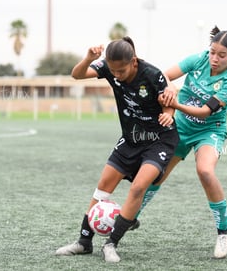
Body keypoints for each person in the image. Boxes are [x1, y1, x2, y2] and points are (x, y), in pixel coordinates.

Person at [55, 37, 179, 263]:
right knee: (103, 186)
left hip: (159, 139)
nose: (117, 75)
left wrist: (168, 113)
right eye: (113, 71)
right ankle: (84, 242)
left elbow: (169, 97)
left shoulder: (152, 74)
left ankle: (111, 244)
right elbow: (77, 75)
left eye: (121, 70)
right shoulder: (108, 68)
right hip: (131, 138)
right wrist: (88, 59)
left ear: (133, 62)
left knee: (139, 187)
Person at [138, 26, 227, 259]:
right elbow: (163, 75)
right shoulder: (199, 59)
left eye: (222, 55)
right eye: (213, 52)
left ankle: (224, 232)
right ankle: (131, 217)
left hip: (209, 130)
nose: (214, 58)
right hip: (181, 127)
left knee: (205, 170)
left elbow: (206, 112)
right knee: (157, 173)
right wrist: (170, 86)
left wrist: (175, 105)